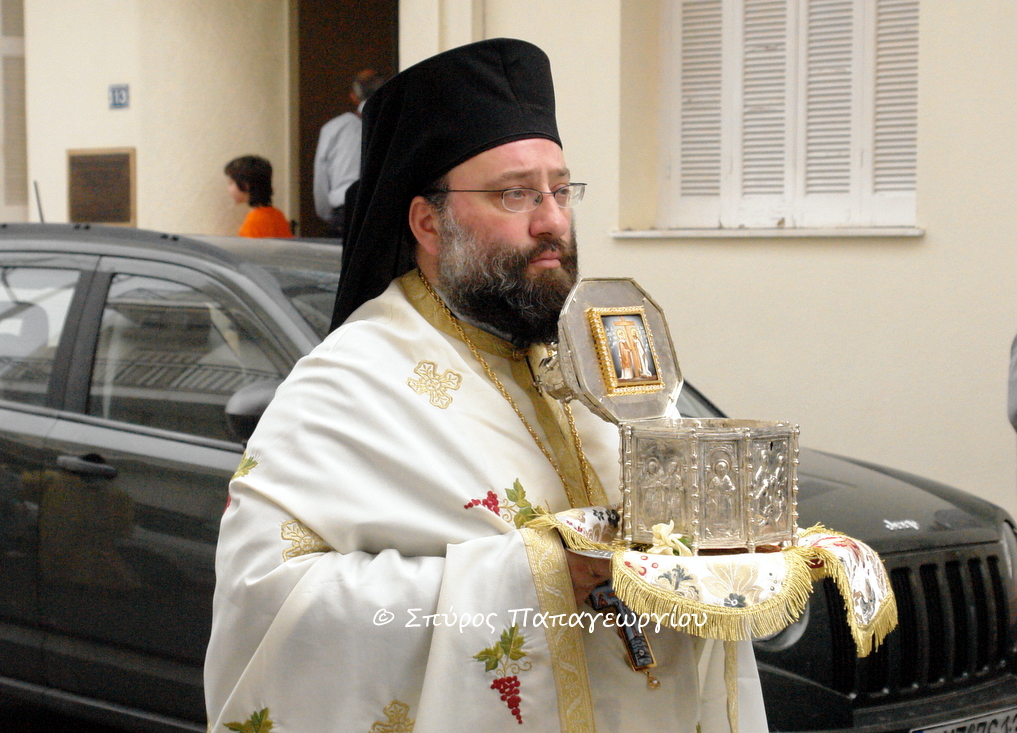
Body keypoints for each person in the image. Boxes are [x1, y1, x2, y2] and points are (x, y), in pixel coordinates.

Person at [205, 39, 767, 732]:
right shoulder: (347, 384)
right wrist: (533, 577)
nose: (552, 221)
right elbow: (268, 601)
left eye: (560, 190)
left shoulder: (598, 356)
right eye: (514, 194)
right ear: (427, 222)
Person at [312, 69, 386, 237]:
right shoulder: (398, 127)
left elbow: (320, 181)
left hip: (343, 214)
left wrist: (328, 215)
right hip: (384, 213)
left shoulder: (332, 129)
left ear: (353, 97)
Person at [224, 155, 293, 238]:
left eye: (231, 183)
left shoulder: (253, 223)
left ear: (245, 185)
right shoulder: (278, 214)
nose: (228, 189)